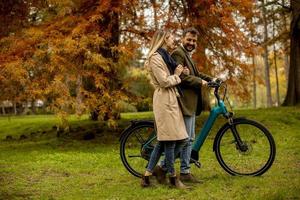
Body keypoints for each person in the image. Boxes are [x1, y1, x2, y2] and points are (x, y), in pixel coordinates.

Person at [154, 27, 217, 184]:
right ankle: (168, 168)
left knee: (189, 138)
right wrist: (200, 82)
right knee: (186, 139)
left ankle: (184, 171)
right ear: (183, 38)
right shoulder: (178, 53)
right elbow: (181, 76)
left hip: (191, 102)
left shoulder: (188, 55)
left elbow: (194, 74)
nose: (191, 43)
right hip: (183, 102)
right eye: (189, 39)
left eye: (194, 41)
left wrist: (211, 79)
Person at [141, 30, 189, 189]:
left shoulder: (165, 56)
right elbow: (163, 81)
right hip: (164, 100)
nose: (173, 40)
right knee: (170, 141)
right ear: (163, 39)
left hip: (171, 99)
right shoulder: (155, 58)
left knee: (173, 140)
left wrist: (181, 73)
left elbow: (173, 73)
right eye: (169, 37)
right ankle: (173, 179)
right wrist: (176, 75)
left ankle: (148, 176)